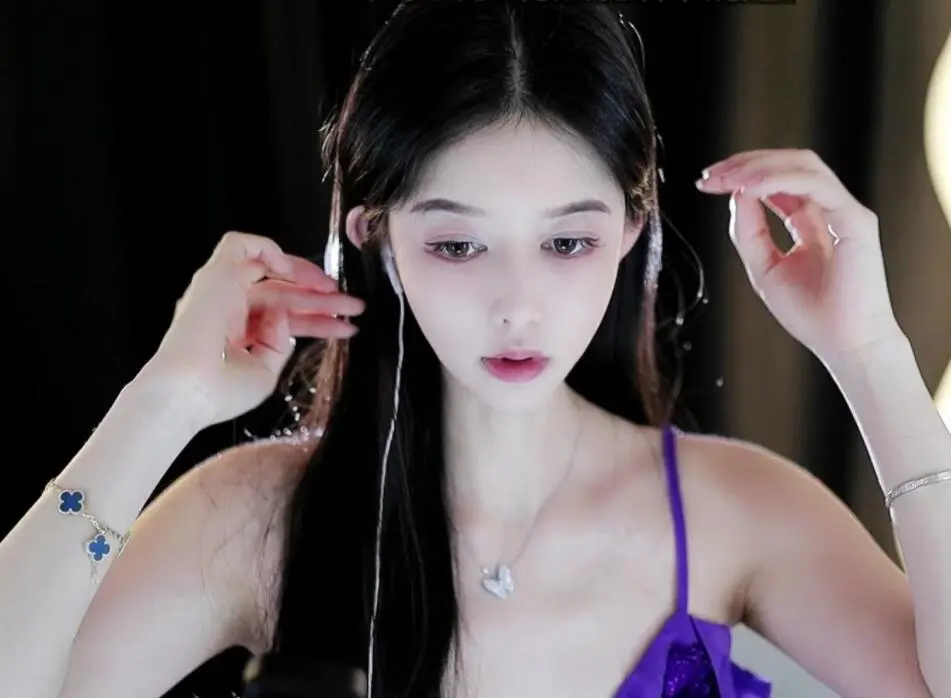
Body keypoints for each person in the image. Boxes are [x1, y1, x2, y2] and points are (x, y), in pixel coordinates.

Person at [1, 3, 949, 698]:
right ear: (377, 238)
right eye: (458, 244)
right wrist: (164, 397)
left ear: (629, 231)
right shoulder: (261, 518)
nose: (517, 307)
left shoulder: (737, 511)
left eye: (566, 241)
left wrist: (869, 352)